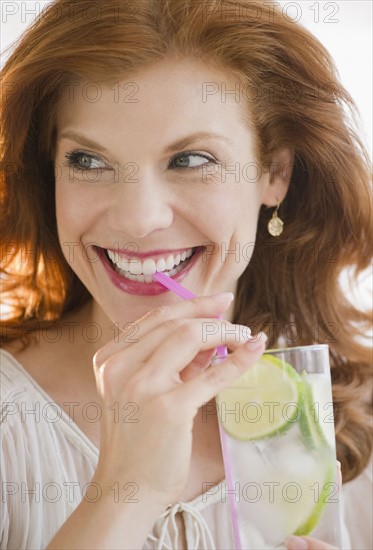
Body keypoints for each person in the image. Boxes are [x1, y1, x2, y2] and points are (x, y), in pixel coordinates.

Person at [1, 0, 372, 548]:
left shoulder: (356, 417)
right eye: (88, 161)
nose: (137, 219)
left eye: (191, 160)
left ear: (275, 173)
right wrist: (126, 491)